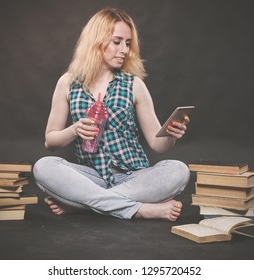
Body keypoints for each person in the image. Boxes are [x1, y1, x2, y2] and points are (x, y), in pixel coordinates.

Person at [33, 8, 190, 221]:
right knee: (44, 166)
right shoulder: (68, 83)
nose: (124, 50)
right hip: (92, 177)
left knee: (178, 170)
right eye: (117, 41)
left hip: (134, 177)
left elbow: (157, 145)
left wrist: (170, 135)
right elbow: (50, 141)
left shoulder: (135, 85)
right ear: (96, 41)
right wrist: (74, 129)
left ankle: (83, 206)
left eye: (127, 43)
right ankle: (140, 210)